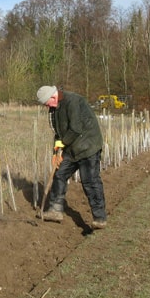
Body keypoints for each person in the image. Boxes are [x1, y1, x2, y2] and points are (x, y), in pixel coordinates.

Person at [36, 85, 107, 229]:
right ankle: (55, 210)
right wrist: (56, 150)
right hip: (71, 147)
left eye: (46, 103)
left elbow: (75, 129)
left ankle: (99, 218)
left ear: (53, 97)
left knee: (90, 181)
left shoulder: (73, 101)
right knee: (59, 174)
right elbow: (58, 132)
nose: (46, 106)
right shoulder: (54, 109)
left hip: (88, 146)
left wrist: (62, 144)